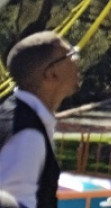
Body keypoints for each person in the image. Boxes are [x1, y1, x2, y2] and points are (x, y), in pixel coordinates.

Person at [0, 32, 82, 208]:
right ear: (51, 74)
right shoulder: (27, 136)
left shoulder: (18, 114)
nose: (77, 61)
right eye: (71, 55)